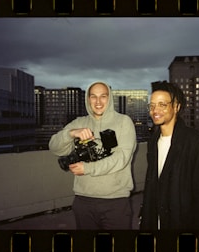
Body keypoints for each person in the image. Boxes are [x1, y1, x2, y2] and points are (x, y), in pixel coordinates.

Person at [49, 81, 137, 230]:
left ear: (109, 98)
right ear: (87, 99)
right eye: (93, 96)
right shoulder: (79, 122)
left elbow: (121, 158)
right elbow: (54, 147)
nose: (98, 102)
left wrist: (88, 168)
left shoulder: (123, 122)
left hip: (115, 201)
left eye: (103, 96)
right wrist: (72, 133)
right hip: (83, 201)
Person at [139, 81, 199, 231]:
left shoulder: (197, 143)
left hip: (181, 223)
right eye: (152, 105)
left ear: (176, 107)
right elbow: (152, 186)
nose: (155, 110)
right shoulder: (153, 142)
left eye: (162, 105)